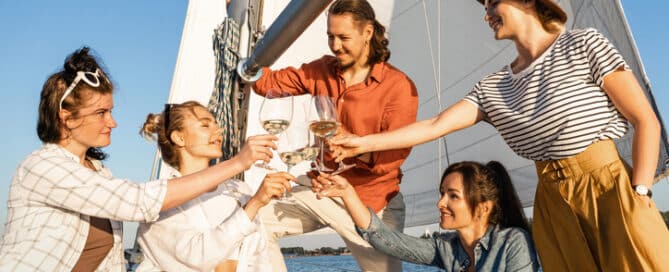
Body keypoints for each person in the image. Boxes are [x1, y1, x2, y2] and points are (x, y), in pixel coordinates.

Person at [330, 0, 669, 271]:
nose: (487, 14)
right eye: (484, 7)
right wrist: (363, 143)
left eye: (493, 3)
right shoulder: (494, 88)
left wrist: (639, 194)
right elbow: (434, 125)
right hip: (552, 201)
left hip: (610, 187)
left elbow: (644, 120)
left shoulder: (583, 44)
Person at [0, 47, 281, 271]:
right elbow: (138, 202)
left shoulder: (99, 174)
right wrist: (237, 163)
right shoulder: (42, 168)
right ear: (66, 117)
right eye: (101, 113)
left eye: (111, 111)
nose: (112, 122)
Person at [251, 0, 418, 271]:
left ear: (368, 33)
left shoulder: (399, 87)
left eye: (343, 37)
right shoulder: (321, 70)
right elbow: (267, 82)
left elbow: (395, 157)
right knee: (251, 223)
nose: (335, 45)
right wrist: (246, 54)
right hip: (321, 190)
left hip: (372, 203)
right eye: (330, 36)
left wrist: (355, 149)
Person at [136, 101, 294, 271]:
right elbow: (199, 257)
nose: (218, 130)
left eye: (217, 124)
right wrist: (254, 204)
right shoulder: (161, 199)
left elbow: (259, 258)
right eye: (205, 125)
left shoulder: (239, 189)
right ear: (179, 138)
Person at [313, 161, 538, 271]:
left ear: (484, 208)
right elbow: (386, 240)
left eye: (453, 196)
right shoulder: (446, 248)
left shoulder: (513, 241)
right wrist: (347, 193)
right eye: (442, 194)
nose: (441, 203)